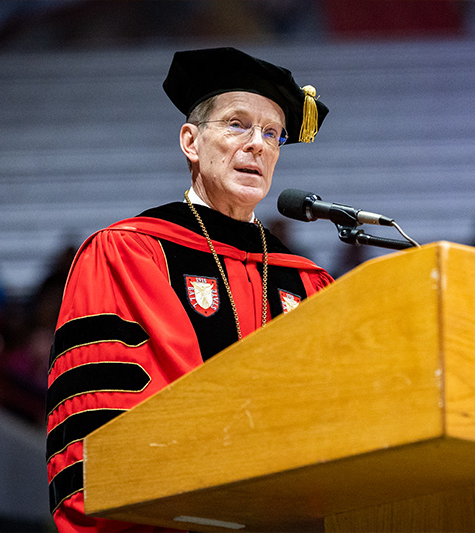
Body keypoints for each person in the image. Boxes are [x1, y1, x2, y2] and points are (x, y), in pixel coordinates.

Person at [46, 47, 334, 532]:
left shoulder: (306, 280)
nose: (258, 145)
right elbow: (101, 427)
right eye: (237, 124)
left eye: (272, 134)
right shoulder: (126, 254)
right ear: (191, 142)